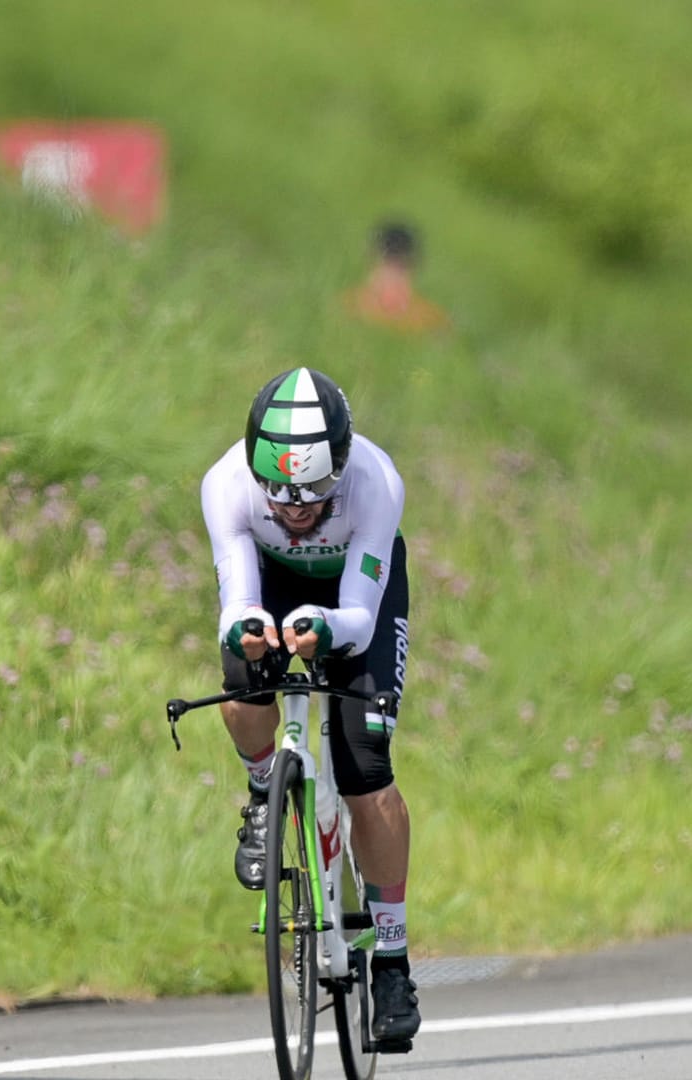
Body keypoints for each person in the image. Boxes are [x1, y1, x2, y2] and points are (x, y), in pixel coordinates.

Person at [199, 366, 421, 1047]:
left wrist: (326, 630)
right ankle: (265, 793)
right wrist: (243, 628)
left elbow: (358, 609)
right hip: (271, 585)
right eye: (281, 496)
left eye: (316, 494)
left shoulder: (376, 483)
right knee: (241, 680)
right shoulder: (226, 483)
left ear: (343, 467)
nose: (296, 511)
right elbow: (236, 597)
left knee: (364, 767)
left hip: (355, 601)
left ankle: (391, 961)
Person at [345, 221, 449, 336]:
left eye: (399, 268)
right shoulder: (430, 320)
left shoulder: (351, 307)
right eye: (389, 266)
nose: (392, 279)